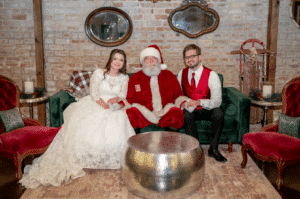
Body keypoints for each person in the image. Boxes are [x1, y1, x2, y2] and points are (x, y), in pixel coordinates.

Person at [19, 49, 135, 189]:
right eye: (115, 59)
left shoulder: (124, 77)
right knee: (88, 128)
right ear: (110, 60)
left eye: (121, 60)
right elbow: (93, 92)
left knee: (118, 126)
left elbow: (123, 94)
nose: (117, 62)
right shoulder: (99, 73)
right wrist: (101, 103)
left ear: (124, 63)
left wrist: (115, 99)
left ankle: (109, 159)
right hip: (96, 102)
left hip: (114, 105)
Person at [177, 44, 227, 162]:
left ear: (199, 57)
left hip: (206, 108)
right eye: (186, 57)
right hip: (190, 109)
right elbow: (177, 95)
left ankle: (213, 149)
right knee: (185, 114)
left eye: (192, 56)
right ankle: (196, 149)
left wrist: (199, 102)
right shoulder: (181, 74)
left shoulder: (212, 75)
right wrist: (184, 103)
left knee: (218, 113)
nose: (189, 59)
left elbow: (217, 101)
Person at [126, 45, 188, 133]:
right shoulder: (135, 78)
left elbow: (179, 96)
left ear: (158, 61)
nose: (150, 61)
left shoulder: (169, 75)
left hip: (164, 114)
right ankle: (137, 143)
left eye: (154, 58)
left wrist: (184, 103)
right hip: (144, 115)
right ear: (142, 62)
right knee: (130, 113)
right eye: (147, 58)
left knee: (176, 113)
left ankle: (169, 141)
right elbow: (130, 100)